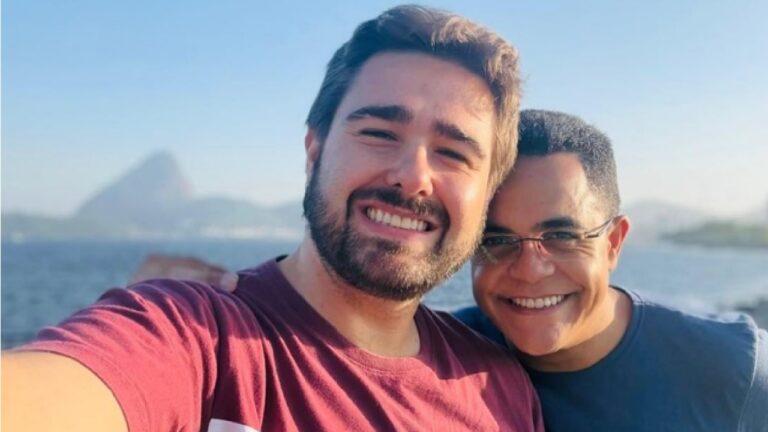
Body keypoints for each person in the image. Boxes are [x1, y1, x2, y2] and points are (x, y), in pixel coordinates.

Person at [2, 5, 545, 432]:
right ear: (315, 152)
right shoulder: (197, 339)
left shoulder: (500, 386)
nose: (413, 176)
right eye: (378, 133)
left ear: (487, 193)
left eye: (454, 153)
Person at [456, 109, 768, 431]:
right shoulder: (438, 356)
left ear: (613, 243)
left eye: (562, 236)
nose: (529, 270)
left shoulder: (734, 369)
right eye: (496, 240)